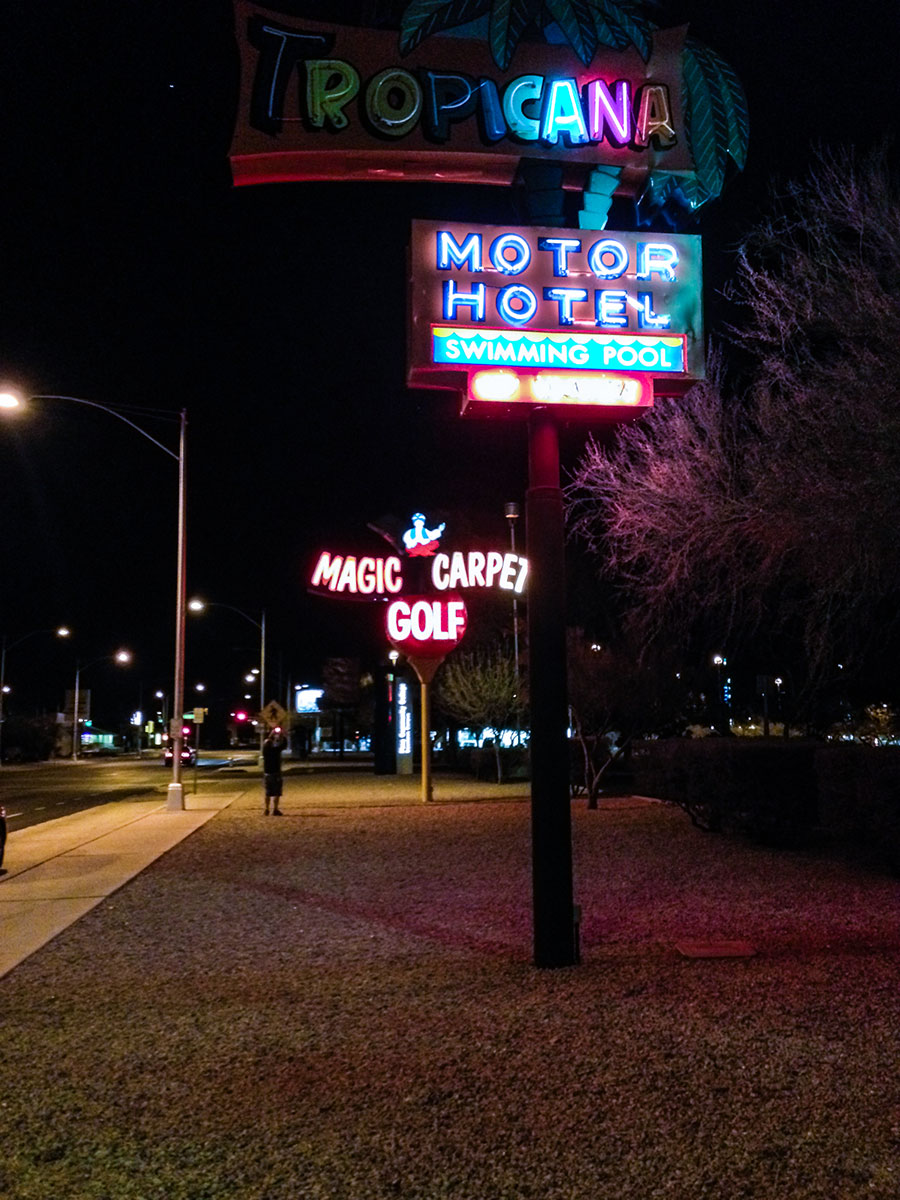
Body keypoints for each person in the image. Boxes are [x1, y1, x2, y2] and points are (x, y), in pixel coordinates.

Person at [263, 726, 287, 815]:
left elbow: (267, 741)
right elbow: (284, 744)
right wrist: (282, 735)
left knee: (268, 792)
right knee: (277, 792)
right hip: (276, 773)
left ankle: (266, 809)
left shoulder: (265, 751)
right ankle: (275, 809)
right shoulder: (276, 750)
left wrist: (271, 734)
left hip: (267, 774)